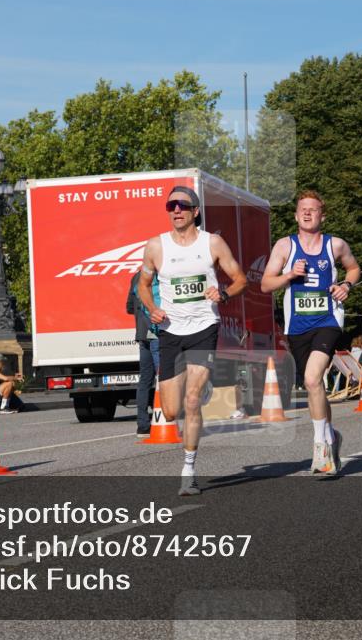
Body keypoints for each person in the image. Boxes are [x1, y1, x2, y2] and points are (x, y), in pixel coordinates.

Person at [138, 185, 247, 496]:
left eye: (182, 206)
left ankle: (189, 469)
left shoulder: (211, 242)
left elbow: (240, 279)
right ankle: (196, 395)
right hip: (171, 332)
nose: (176, 210)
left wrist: (223, 293)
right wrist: (152, 308)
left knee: (191, 400)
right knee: (171, 411)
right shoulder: (155, 246)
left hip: (203, 328)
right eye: (171, 205)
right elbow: (144, 285)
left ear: (195, 211)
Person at [261, 189, 359, 477]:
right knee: (314, 386)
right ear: (295, 215)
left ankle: (320, 447)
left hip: (328, 320)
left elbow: (353, 269)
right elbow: (266, 284)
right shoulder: (284, 246)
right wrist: (290, 275)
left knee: (312, 377)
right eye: (302, 209)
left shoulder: (336, 245)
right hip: (297, 326)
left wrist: (346, 287)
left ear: (322, 215)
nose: (307, 213)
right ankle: (331, 436)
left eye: (313, 209)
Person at [127, 270, 160, 438]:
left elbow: (129, 307)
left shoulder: (137, 276)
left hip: (142, 333)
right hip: (157, 331)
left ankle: (142, 425)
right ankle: (163, 420)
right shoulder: (161, 274)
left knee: (145, 379)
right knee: (163, 377)